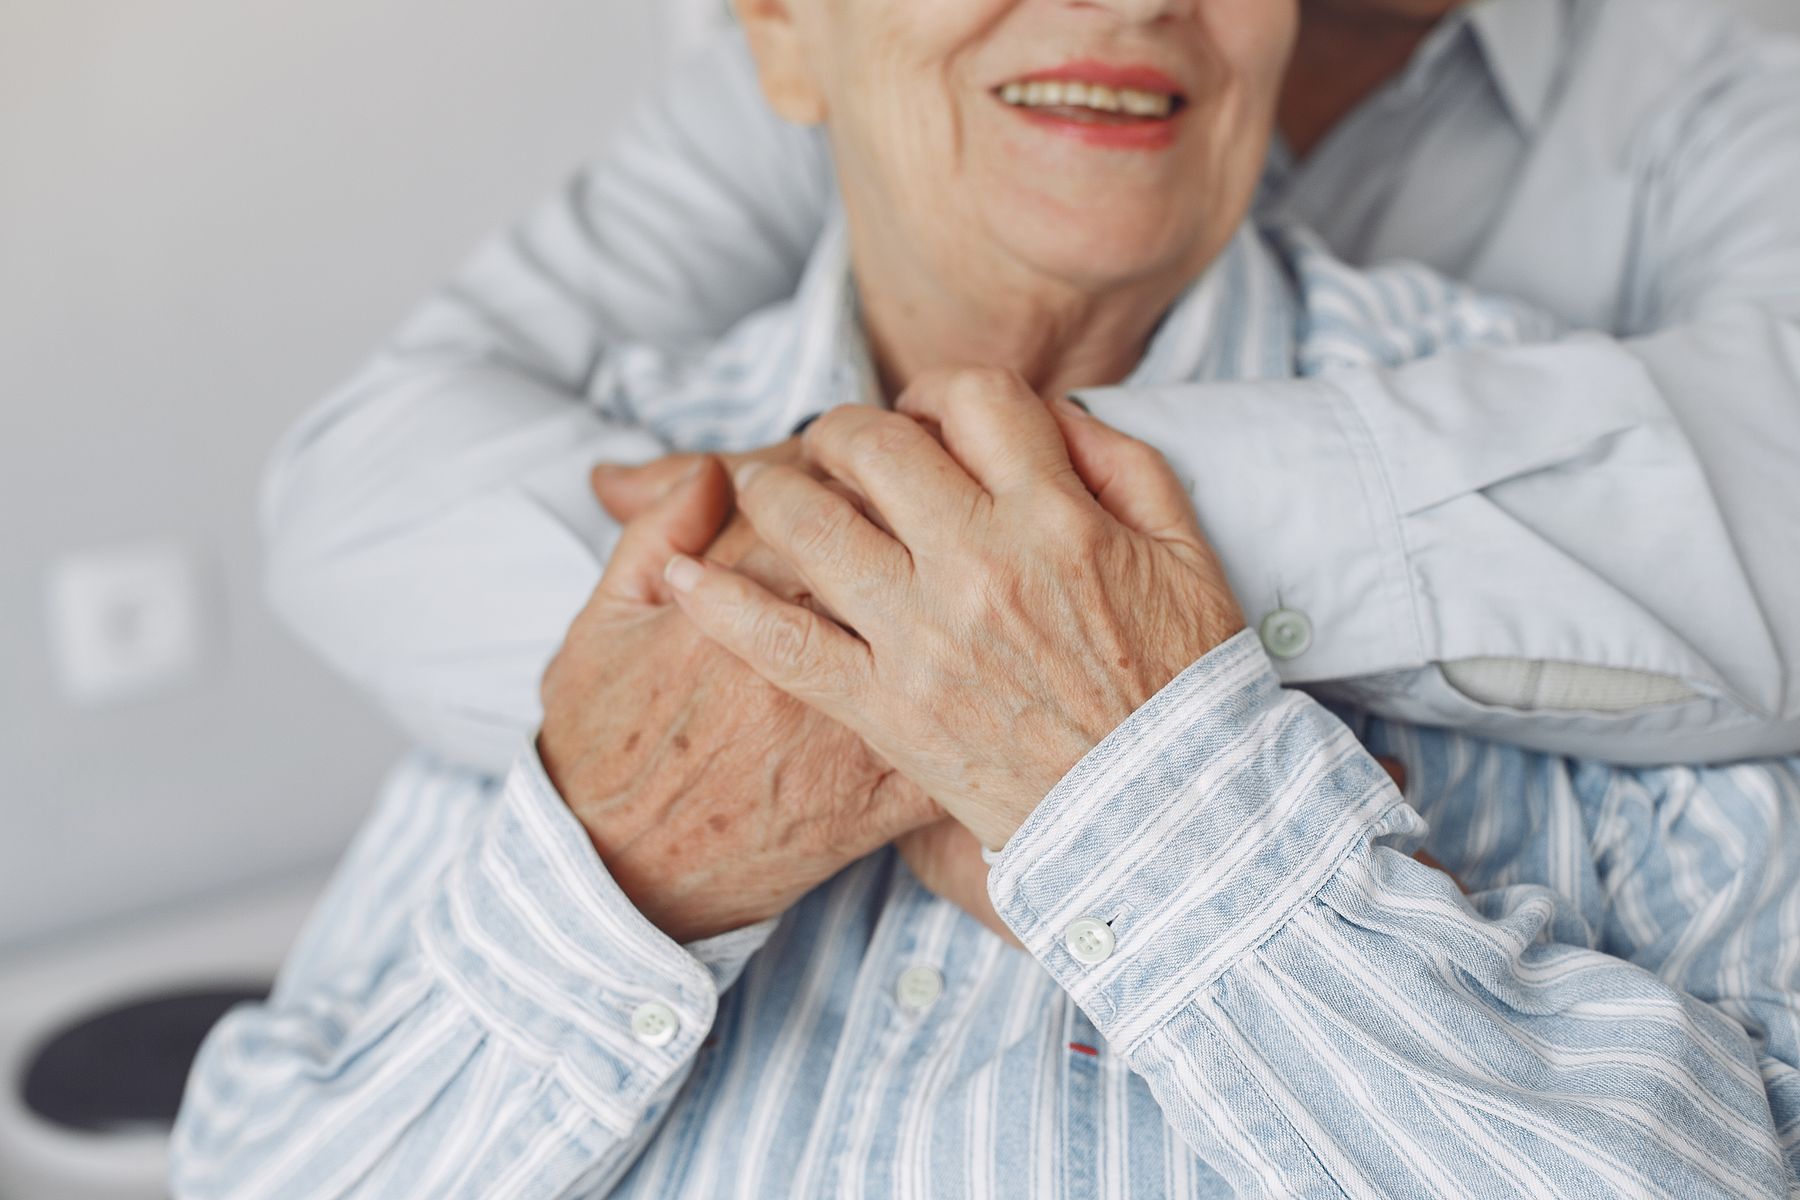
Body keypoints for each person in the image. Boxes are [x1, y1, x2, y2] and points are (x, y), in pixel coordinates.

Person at [171, 0, 1799, 1195]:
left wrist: (1165, 821)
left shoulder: (1604, 502)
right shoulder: (588, 526)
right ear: (780, 35)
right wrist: (644, 854)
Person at [257, 0, 1800, 781]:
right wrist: (905, 658)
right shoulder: (865, 48)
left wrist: (1037, 568)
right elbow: (366, 492)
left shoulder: (1718, 85)